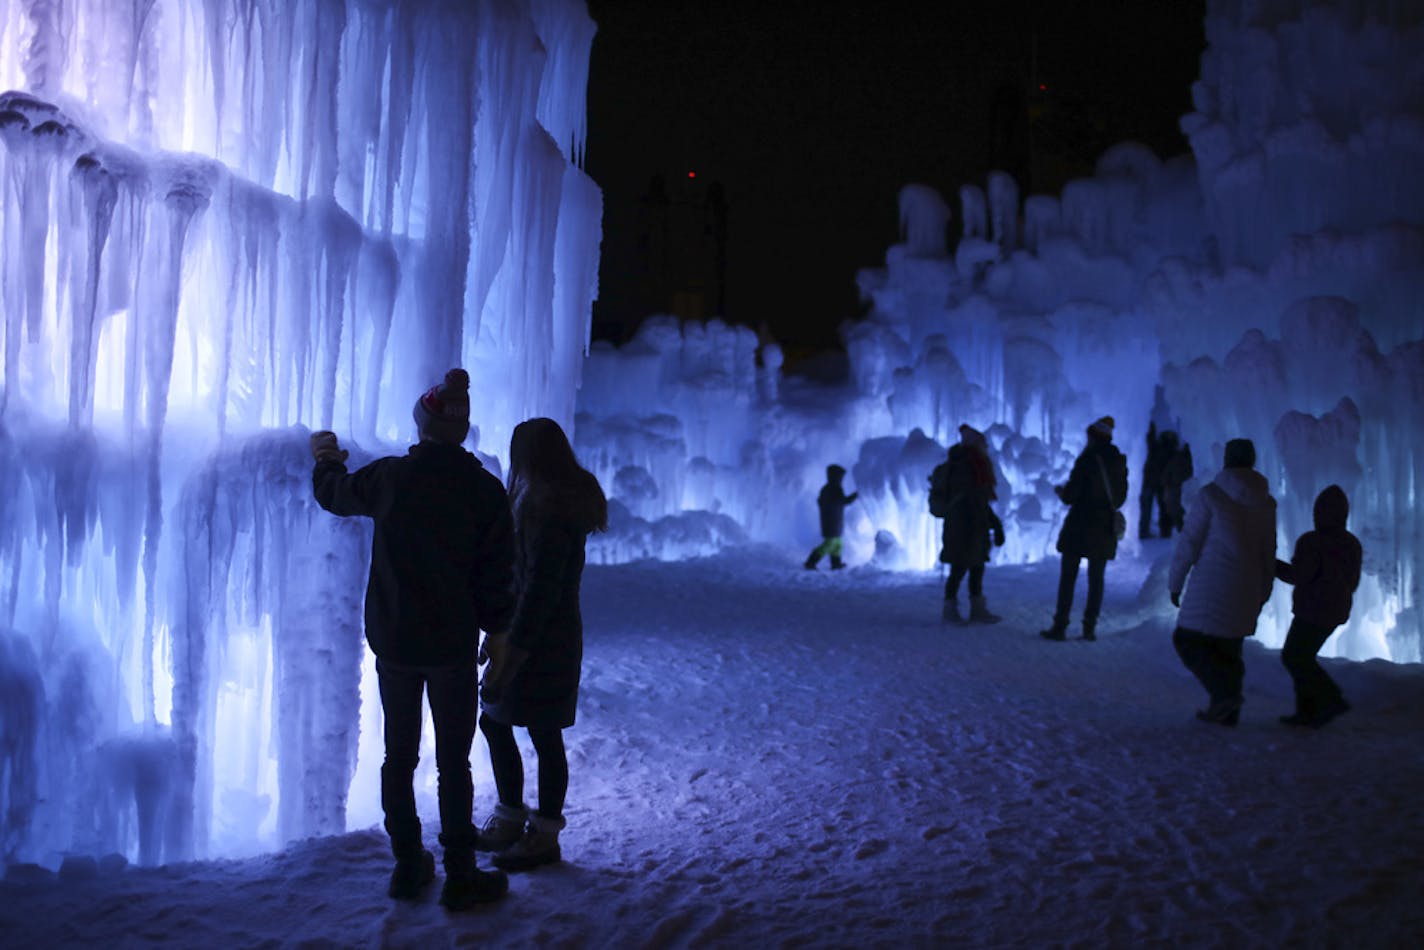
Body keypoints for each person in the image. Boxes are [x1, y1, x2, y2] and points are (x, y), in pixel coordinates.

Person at [310, 368, 514, 909]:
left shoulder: (391, 479)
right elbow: (498, 574)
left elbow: (334, 495)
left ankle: (407, 864)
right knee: (455, 763)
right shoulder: (484, 490)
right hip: (451, 648)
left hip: (396, 643)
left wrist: (327, 457)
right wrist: (497, 633)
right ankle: (462, 873)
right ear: (461, 431)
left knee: (397, 758)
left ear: (421, 425)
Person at [477, 418, 608, 871]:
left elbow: (539, 588)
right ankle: (517, 819)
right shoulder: (555, 499)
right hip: (547, 633)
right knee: (512, 726)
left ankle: (541, 834)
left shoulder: (546, 507)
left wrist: (513, 649)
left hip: (540, 637)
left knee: (535, 731)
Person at [1167, 438, 1277, 726]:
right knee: (1230, 648)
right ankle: (1227, 712)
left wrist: (1175, 582)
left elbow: (1190, 542)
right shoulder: (1266, 501)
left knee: (1187, 641)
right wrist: (1263, 592)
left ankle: (1225, 696)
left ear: (1227, 460)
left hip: (1211, 588)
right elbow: (1269, 550)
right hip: (1249, 585)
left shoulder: (1211, 495)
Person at [1275, 484, 1362, 727]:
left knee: (1294, 656)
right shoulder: (1352, 543)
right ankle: (1308, 711)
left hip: (1311, 609)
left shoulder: (1312, 541)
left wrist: (1274, 566)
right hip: (1336, 610)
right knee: (1302, 657)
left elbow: (1299, 576)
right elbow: (1353, 581)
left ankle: (1329, 699)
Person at [1040, 416, 1128, 642]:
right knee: (1096, 579)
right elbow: (1120, 498)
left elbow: (1072, 494)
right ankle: (1089, 628)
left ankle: (1060, 626)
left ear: (1093, 436)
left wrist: (1063, 493)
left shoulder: (1088, 459)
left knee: (1068, 576)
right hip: (1103, 527)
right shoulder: (1118, 461)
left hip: (1080, 524)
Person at [930, 424, 1006, 624]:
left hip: (971, 526)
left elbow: (979, 500)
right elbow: (972, 499)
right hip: (963, 527)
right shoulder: (968, 466)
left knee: (975, 567)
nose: (986, 446)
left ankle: (976, 609)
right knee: (960, 567)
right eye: (982, 443)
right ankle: (951, 610)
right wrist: (991, 524)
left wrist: (993, 524)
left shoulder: (975, 465)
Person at [804, 464, 859, 570]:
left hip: (834, 520)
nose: (842, 479)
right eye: (840, 476)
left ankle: (836, 563)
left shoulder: (829, 488)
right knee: (829, 544)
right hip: (831, 521)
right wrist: (855, 495)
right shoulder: (833, 489)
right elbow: (843, 501)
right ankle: (811, 562)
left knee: (838, 543)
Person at [1158, 431, 1194, 538]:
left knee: (1174, 513)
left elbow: (1165, 476)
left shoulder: (1176, 457)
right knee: (1182, 514)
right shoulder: (1188, 460)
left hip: (1173, 490)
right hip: (1182, 490)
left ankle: (1174, 533)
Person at [1139, 422, 1170, 540]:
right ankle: (1163, 531)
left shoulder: (1151, 446)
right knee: (1158, 507)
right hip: (1158, 482)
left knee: (1147, 507)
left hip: (1149, 481)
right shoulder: (1159, 447)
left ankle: (1144, 530)